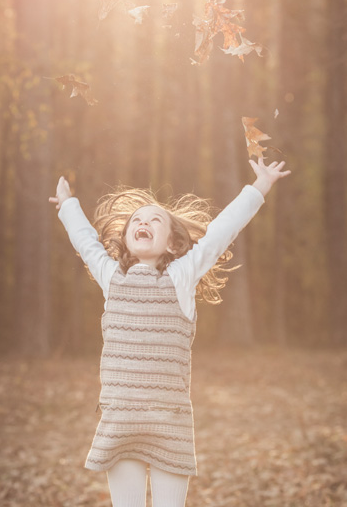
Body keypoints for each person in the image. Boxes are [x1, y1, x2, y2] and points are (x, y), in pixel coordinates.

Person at [50, 156, 291, 507]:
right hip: (121, 424)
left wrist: (260, 186)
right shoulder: (112, 278)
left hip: (169, 427)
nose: (143, 222)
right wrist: (69, 205)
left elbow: (221, 232)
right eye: (136, 220)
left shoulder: (180, 277)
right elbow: (86, 242)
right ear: (127, 238)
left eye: (154, 220)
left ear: (174, 244)